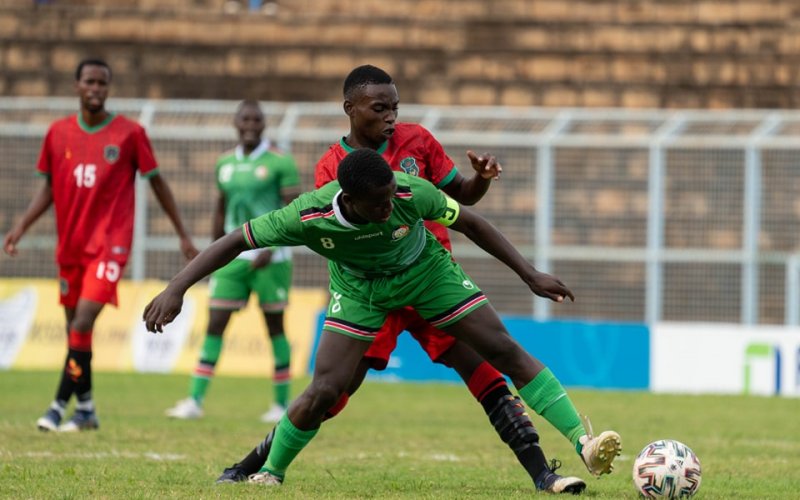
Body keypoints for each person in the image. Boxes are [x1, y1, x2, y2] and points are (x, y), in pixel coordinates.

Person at [143, 148, 622, 493]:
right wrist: (176, 287)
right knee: (326, 389)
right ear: (349, 199)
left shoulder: (410, 191)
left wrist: (529, 274)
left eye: (394, 194)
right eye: (381, 202)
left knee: (504, 351)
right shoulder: (307, 217)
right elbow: (236, 240)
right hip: (359, 292)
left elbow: (471, 222)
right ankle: (271, 471)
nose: (393, 205)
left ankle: (582, 442)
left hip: (426, 274)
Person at [216, 64, 592, 493]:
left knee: (486, 370)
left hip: (430, 278)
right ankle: (258, 463)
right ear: (352, 110)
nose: (391, 117)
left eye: (395, 108)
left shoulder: (419, 142)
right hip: (371, 289)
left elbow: (461, 200)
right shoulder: (331, 168)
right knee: (332, 392)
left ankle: (544, 473)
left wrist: (479, 180)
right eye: (380, 109)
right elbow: (333, 231)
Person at [3, 58, 199, 432]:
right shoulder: (57, 133)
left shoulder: (130, 133)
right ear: (77, 86)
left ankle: (58, 405)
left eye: (102, 83)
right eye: (89, 82)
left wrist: (182, 232)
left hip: (110, 245)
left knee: (82, 320)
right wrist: (20, 227)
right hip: (71, 247)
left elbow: (157, 182)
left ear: (108, 89)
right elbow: (48, 187)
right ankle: (88, 408)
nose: (96, 89)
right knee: (76, 332)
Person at [165, 100, 301, 422]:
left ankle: (281, 406)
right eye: (245, 119)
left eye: (257, 119)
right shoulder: (224, 163)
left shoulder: (280, 162)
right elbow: (221, 208)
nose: (251, 124)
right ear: (236, 124)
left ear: (264, 124)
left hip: (273, 257)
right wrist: (212, 251)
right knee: (215, 324)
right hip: (233, 255)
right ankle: (194, 401)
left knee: (274, 328)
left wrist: (272, 248)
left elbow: (293, 212)